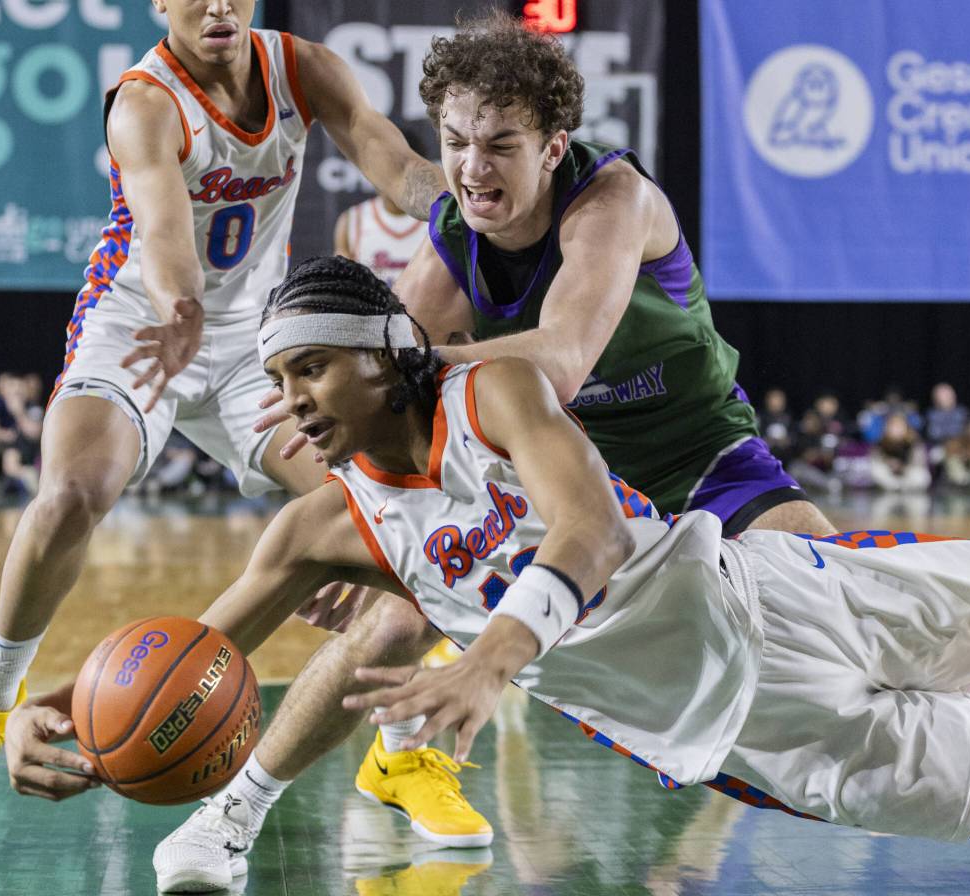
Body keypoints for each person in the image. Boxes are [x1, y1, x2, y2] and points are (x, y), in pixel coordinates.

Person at [6, 258, 970, 891]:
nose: (288, 401)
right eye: (273, 381)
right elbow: (201, 650)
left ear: (383, 357)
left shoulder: (490, 390)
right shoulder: (320, 526)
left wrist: (490, 658)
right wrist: (81, 709)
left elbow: (590, 532)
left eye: (308, 367)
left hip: (775, 585)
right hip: (750, 716)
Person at [230, 13, 835, 876]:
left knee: (834, 604)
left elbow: (560, 357)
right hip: (565, 477)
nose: (473, 168)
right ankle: (243, 805)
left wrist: (408, 356)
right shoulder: (450, 240)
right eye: (457, 142)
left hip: (701, 457)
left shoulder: (612, 202)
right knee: (393, 612)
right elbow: (388, 403)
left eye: (500, 144)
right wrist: (361, 525)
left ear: (554, 147)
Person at [0, 0, 453, 790]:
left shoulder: (304, 68)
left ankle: (402, 753)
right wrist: (179, 313)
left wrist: (471, 200)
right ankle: (0, 699)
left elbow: (395, 164)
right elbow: (168, 237)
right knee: (72, 492)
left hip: (253, 346)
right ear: (159, 4)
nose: (216, 5)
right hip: (144, 322)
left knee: (388, 516)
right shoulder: (145, 103)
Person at [334, 126, 431, 288]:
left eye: (397, 167)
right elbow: (342, 287)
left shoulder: (436, 221)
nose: (389, 176)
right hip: (370, 312)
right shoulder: (351, 221)